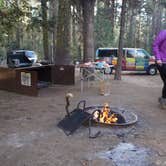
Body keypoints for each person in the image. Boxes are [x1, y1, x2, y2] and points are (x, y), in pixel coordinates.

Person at [153, 29, 166, 109]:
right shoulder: (164, 32)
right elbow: (155, 45)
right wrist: (158, 58)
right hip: (162, 62)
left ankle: (163, 98)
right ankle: (163, 99)